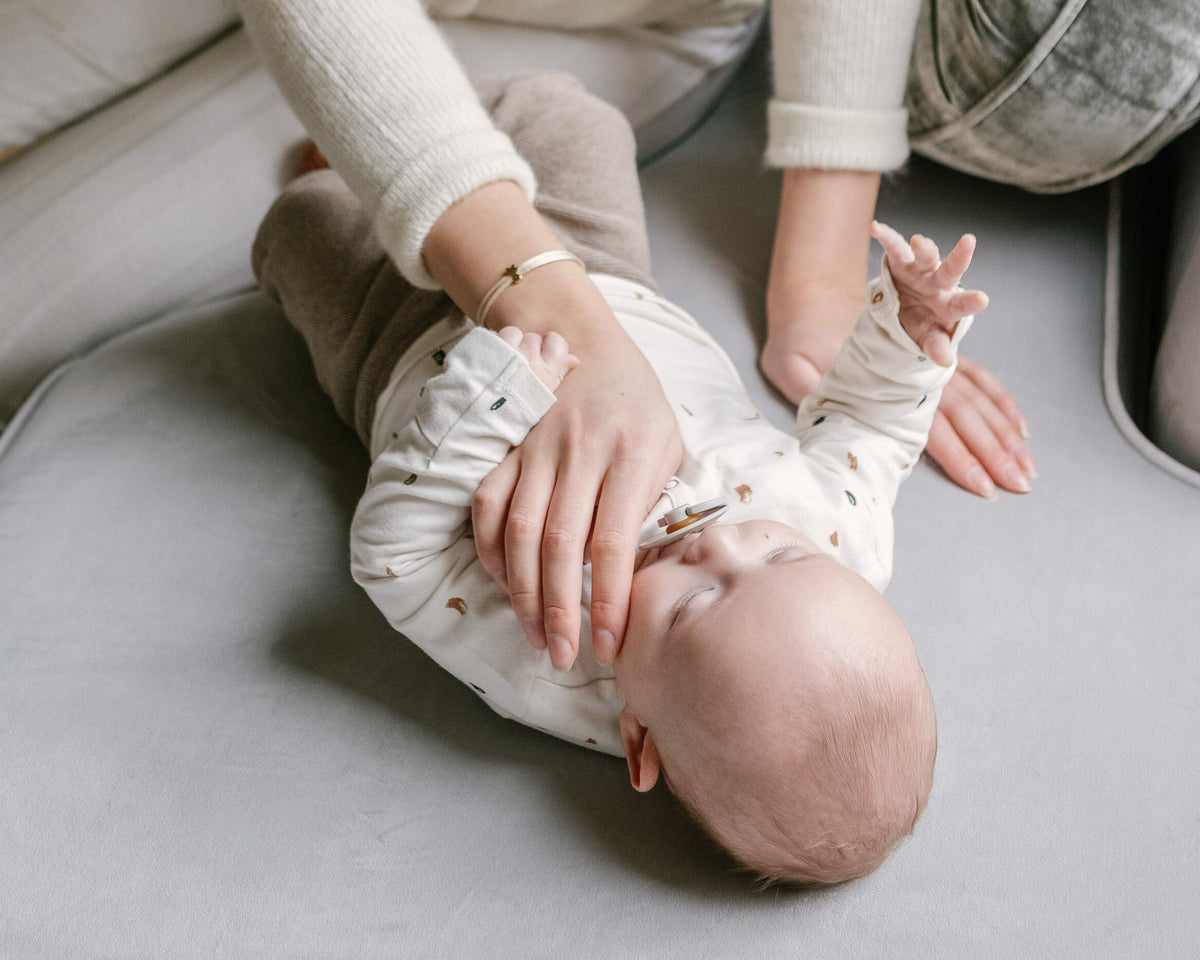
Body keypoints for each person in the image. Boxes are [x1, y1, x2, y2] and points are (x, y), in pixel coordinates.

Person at [250, 71, 989, 883]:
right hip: (597, 281)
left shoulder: (549, 665)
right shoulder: (842, 542)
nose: (716, 547)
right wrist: (910, 331)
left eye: (696, 606)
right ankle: (436, 112)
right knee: (575, 115)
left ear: (640, 736)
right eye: (782, 556)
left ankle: (356, 168)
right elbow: (870, 425)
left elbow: (398, 562)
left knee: (303, 225)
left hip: (399, 352)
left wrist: (495, 399)